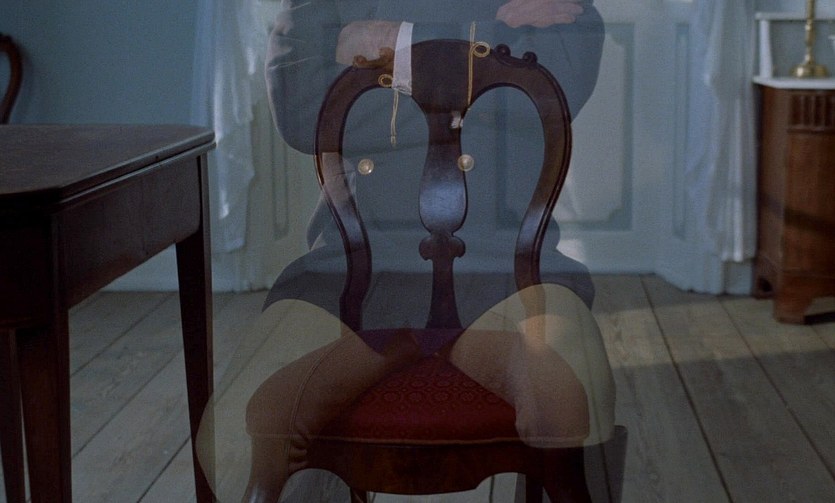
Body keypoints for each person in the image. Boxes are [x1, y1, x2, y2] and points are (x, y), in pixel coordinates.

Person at [198, 2, 615, 501]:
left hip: (511, 276)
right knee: (228, 440)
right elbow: (301, 110)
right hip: (348, 280)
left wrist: (395, 44)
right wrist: (486, 70)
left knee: (571, 399)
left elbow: (558, 87)